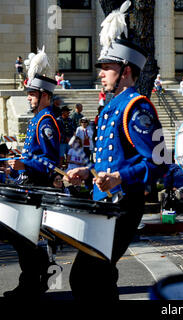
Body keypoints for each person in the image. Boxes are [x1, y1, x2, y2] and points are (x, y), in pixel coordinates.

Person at [64, 4, 166, 300]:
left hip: (123, 204)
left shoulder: (138, 107)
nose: (102, 74)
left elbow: (158, 161)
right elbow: (107, 160)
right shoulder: (110, 108)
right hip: (104, 204)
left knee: (86, 276)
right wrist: (87, 172)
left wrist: (119, 177)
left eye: (107, 68)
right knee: (98, 278)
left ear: (126, 71)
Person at [3, 48, 60, 298]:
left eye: (32, 94)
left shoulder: (47, 121)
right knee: (21, 239)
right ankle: (32, 283)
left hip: (37, 192)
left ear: (44, 95)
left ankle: (32, 284)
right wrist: (15, 164)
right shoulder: (38, 119)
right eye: (28, 94)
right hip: (27, 187)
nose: (28, 98)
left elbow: (51, 162)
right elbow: (31, 158)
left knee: (23, 239)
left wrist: (24, 165)